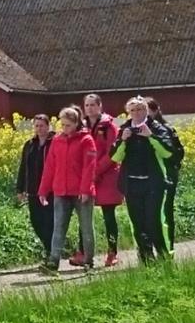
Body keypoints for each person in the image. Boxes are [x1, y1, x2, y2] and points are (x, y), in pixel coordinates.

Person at [110, 97, 178, 263]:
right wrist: (122, 141)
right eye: (133, 110)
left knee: (154, 222)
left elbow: (168, 153)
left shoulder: (156, 127)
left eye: (140, 109)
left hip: (153, 183)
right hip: (132, 184)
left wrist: (151, 136)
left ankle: (165, 258)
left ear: (146, 111)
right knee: (138, 224)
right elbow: (115, 157)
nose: (136, 113)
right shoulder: (125, 129)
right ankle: (146, 260)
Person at [38, 107, 97, 274]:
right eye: (62, 125)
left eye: (68, 125)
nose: (65, 129)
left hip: (81, 192)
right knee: (59, 226)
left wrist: (85, 190)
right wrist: (43, 190)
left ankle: (88, 260)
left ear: (76, 123)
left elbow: (89, 167)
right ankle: (53, 261)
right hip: (61, 191)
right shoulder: (57, 141)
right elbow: (50, 167)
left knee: (86, 226)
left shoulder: (86, 140)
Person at [82, 94, 123, 267]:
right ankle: (83, 251)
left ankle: (112, 252)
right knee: (84, 214)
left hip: (107, 176)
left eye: (93, 105)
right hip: (88, 177)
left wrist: (96, 170)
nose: (90, 108)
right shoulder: (82, 127)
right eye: (87, 105)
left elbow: (112, 153)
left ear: (100, 106)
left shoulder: (109, 127)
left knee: (108, 215)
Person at [146, 98, 186, 248]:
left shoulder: (166, 129)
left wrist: (171, 169)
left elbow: (178, 153)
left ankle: (168, 248)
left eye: (146, 109)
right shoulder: (134, 129)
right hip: (146, 177)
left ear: (155, 111)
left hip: (166, 176)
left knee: (166, 212)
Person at [14, 113, 55, 257]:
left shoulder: (55, 142)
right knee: (36, 221)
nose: (39, 129)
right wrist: (20, 188)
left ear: (48, 126)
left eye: (42, 125)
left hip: (51, 190)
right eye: (36, 126)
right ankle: (48, 247)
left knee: (49, 220)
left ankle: (51, 251)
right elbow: (23, 167)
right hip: (33, 189)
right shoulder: (30, 144)